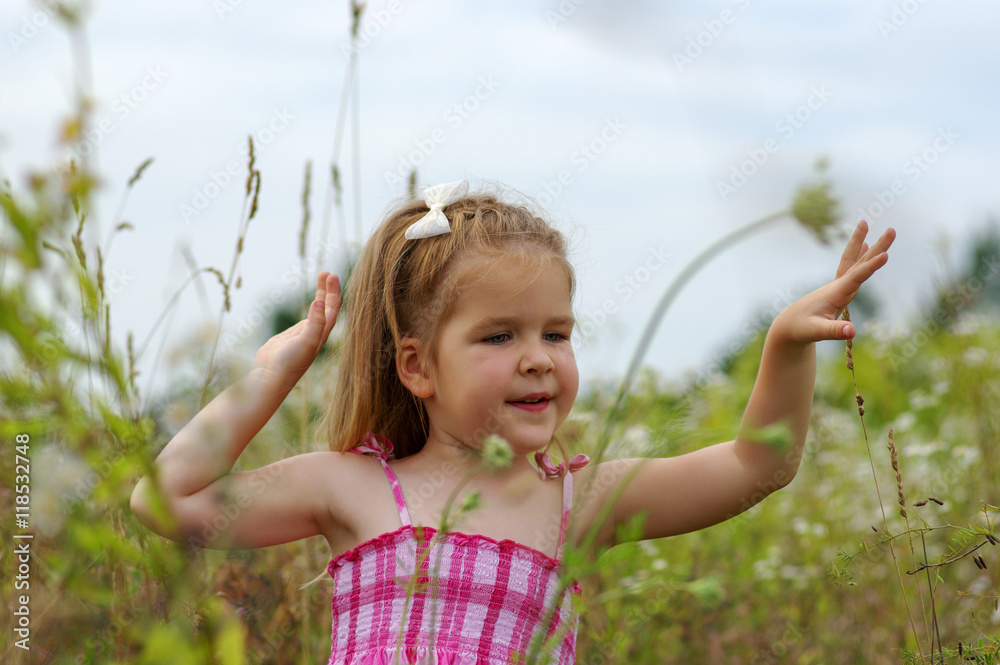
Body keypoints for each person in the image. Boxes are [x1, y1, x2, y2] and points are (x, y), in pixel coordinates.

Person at [130, 179, 895, 664]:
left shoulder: (579, 503)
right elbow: (167, 500)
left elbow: (757, 464)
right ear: (417, 366)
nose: (538, 358)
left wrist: (785, 342)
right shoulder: (351, 487)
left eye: (555, 333)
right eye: (500, 336)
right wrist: (275, 372)